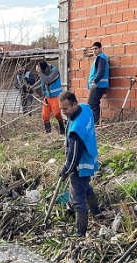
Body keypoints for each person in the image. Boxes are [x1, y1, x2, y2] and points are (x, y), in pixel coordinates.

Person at [58, 91, 100, 237]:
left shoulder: (77, 129)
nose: (63, 112)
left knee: (77, 199)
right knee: (84, 188)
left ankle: (80, 232)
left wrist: (65, 170)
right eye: (61, 109)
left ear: (74, 104)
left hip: (81, 165)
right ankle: (97, 212)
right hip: (90, 157)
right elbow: (94, 116)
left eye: (65, 109)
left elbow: (73, 156)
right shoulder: (85, 108)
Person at [35, 61, 65, 134]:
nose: (43, 72)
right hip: (47, 97)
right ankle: (48, 133)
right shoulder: (44, 72)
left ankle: (62, 129)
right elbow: (41, 81)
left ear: (46, 68)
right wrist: (32, 87)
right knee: (45, 115)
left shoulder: (54, 71)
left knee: (57, 114)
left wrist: (40, 73)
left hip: (55, 96)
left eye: (43, 71)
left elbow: (47, 80)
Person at [87, 41, 109, 126]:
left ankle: (94, 124)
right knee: (94, 104)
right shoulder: (98, 58)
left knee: (92, 104)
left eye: (96, 48)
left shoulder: (101, 57)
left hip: (98, 85)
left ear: (100, 48)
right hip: (98, 85)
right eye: (92, 49)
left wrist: (94, 82)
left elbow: (101, 71)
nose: (94, 51)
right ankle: (95, 124)